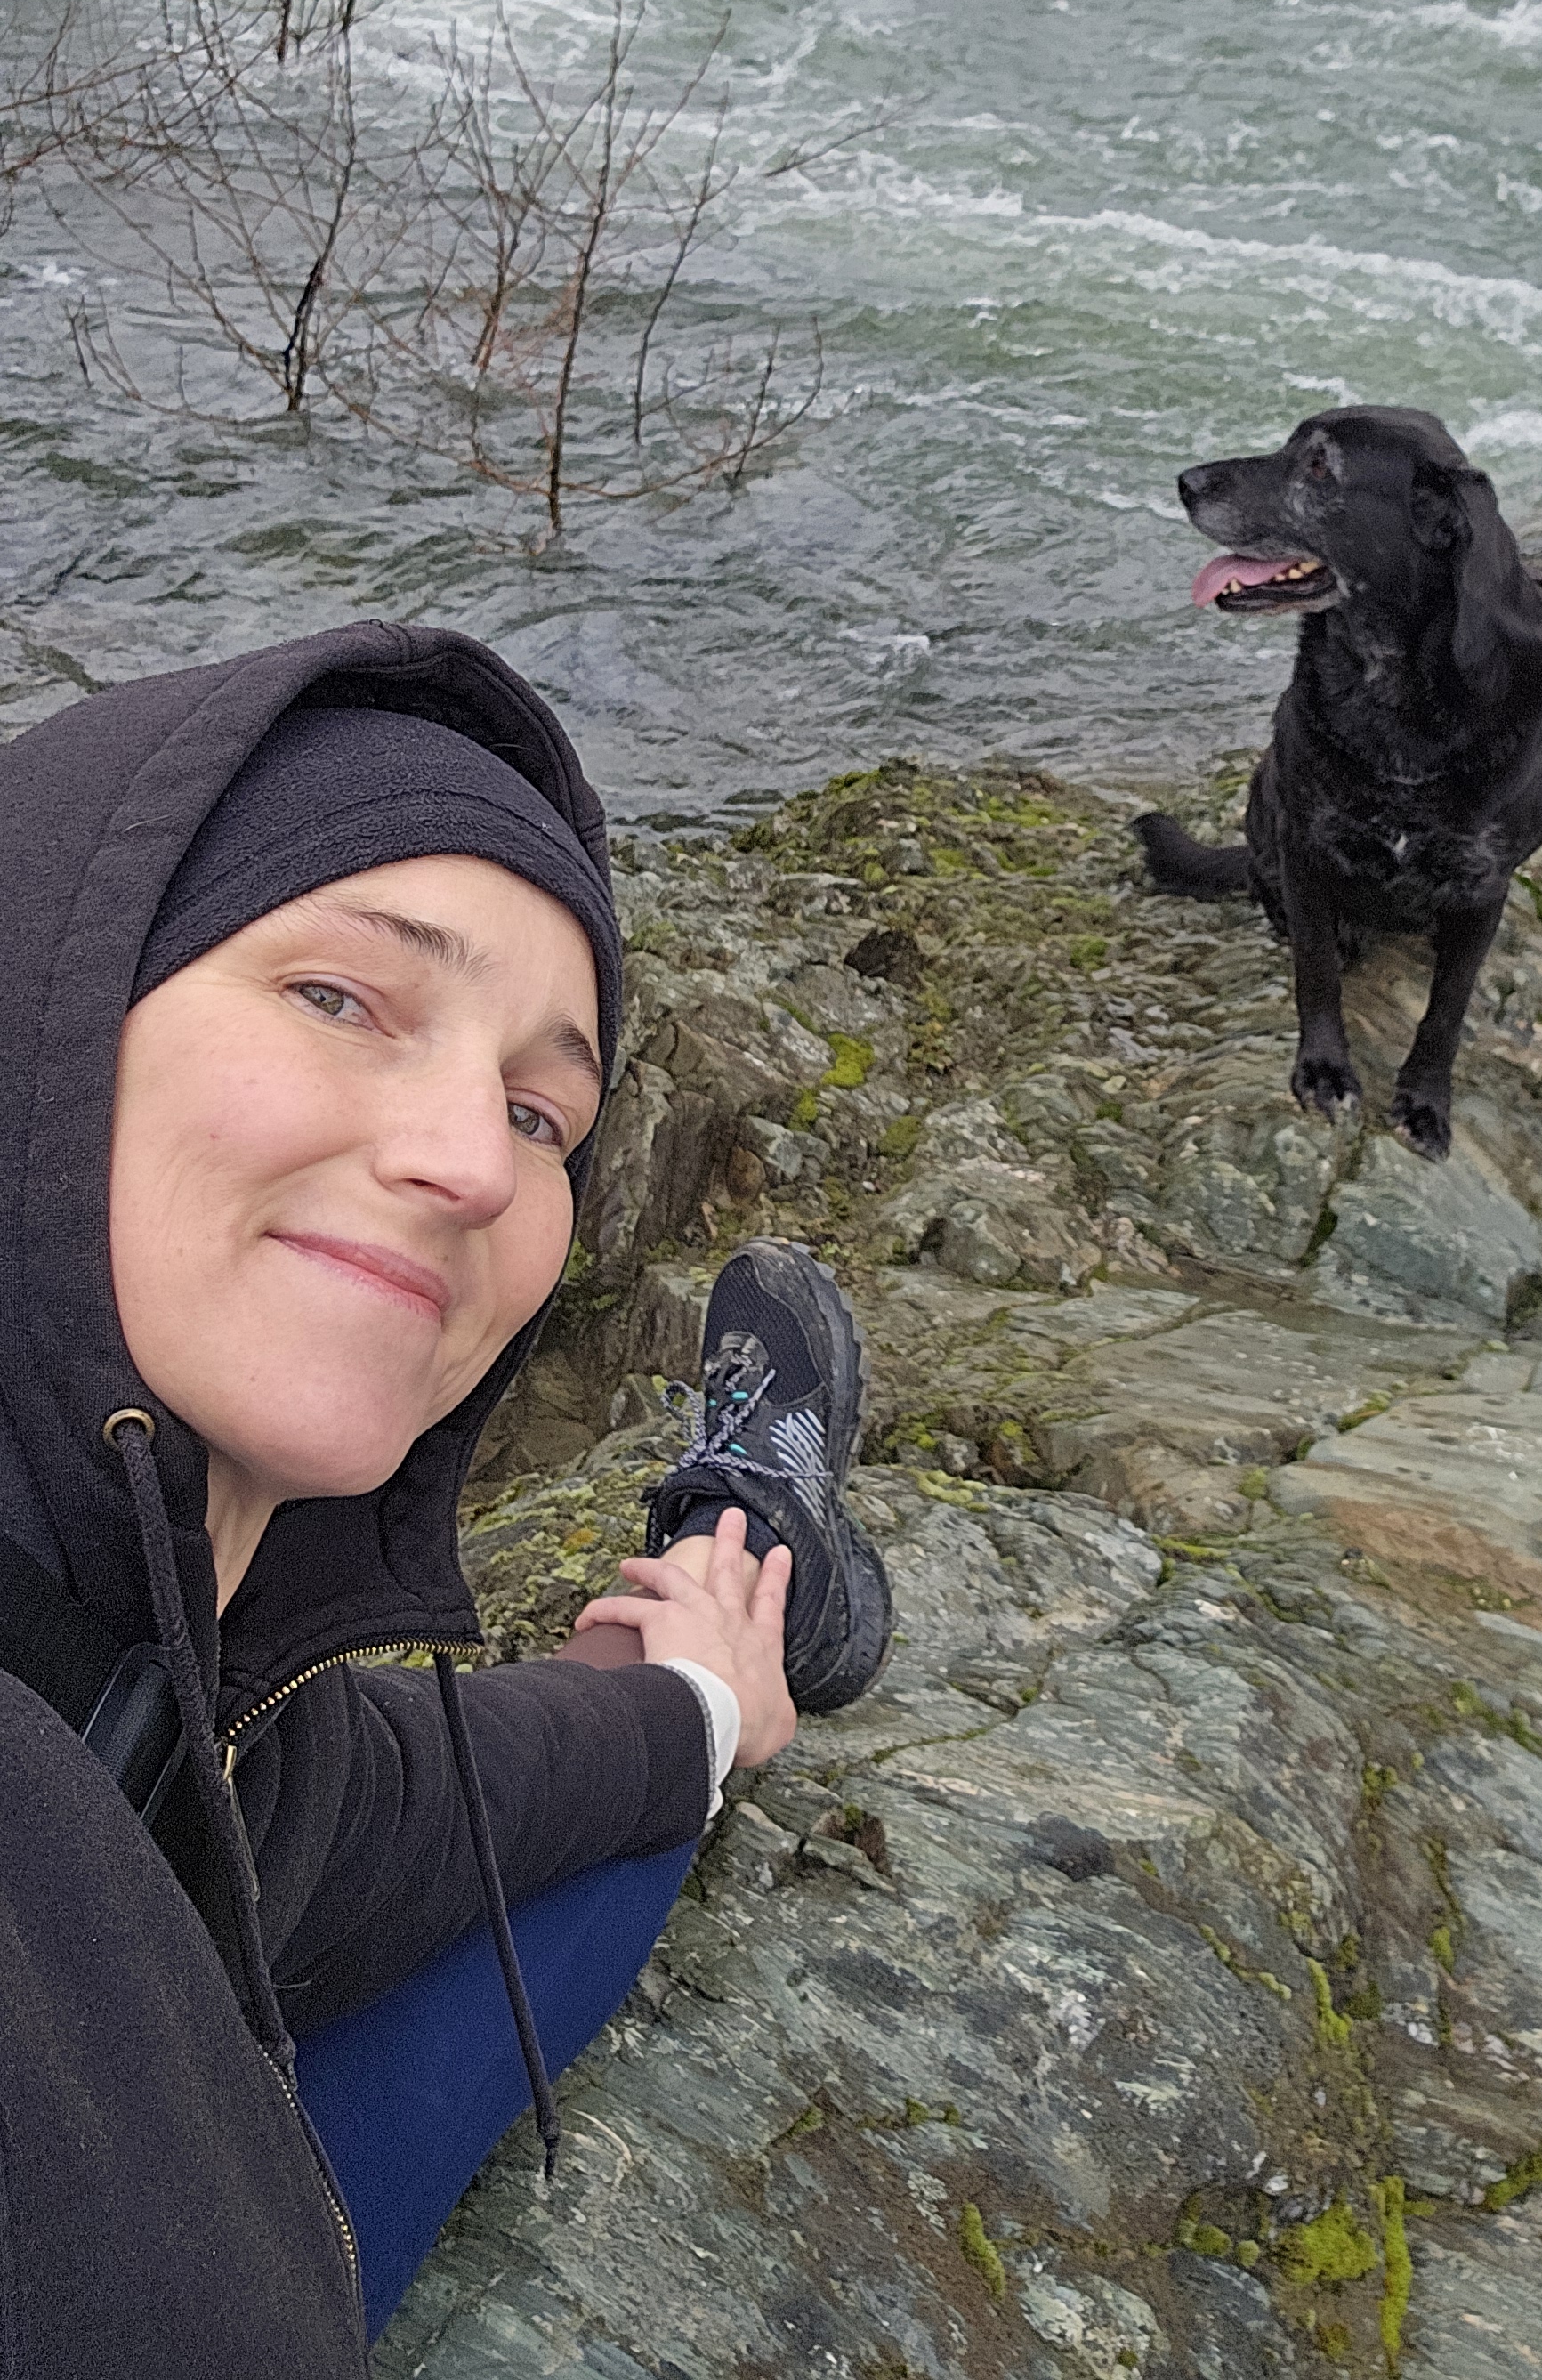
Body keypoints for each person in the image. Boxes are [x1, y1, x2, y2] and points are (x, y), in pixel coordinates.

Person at [0, 620, 893, 2374]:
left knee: (620, 1807)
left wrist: (702, 1699)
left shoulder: (149, 1674)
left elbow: (341, 1806)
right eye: (339, 997)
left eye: (542, 1111)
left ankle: (741, 1559)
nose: (476, 1161)